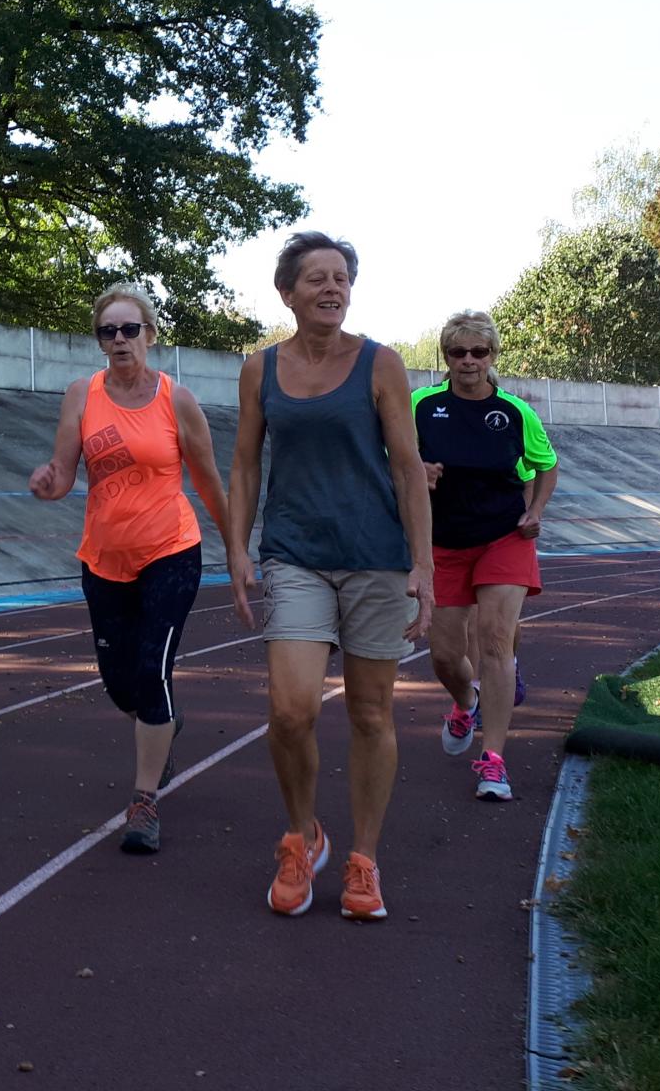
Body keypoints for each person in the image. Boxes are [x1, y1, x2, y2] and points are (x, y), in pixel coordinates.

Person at [226, 232, 434, 921]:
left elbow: (407, 467)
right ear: (287, 292)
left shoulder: (380, 364)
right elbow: (246, 465)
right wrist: (237, 548)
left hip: (376, 555)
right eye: (315, 278)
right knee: (291, 711)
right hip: (295, 554)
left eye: (341, 277)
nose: (331, 288)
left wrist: (424, 564)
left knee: (371, 712)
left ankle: (364, 859)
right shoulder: (260, 368)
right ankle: (303, 834)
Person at [30, 283, 235, 855]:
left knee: (152, 671)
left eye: (129, 329)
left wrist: (236, 549)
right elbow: (65, 472)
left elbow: (209, 481)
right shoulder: (81, 395)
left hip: (171, 549)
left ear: (149, 333)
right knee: (122, 686)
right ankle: (162, 725)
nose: (119, 340)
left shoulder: (177, 398)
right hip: (104, 558)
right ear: (98, 340)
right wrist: (49, 485)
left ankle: (143, 801)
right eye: (108, 331)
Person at [413, 311, 558, 803]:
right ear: (446, 357)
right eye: (459, 352)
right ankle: (464, 701)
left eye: (479, 352)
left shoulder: (517, 413)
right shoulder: (420, 405)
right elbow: (387, 456)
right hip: (443, 542)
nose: (469, 361)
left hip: (504, 537)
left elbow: (547, 466)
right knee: (446, 655)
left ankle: (494, 761)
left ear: (493, 355)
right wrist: (417, 468)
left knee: (495, 642)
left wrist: (534, 510)